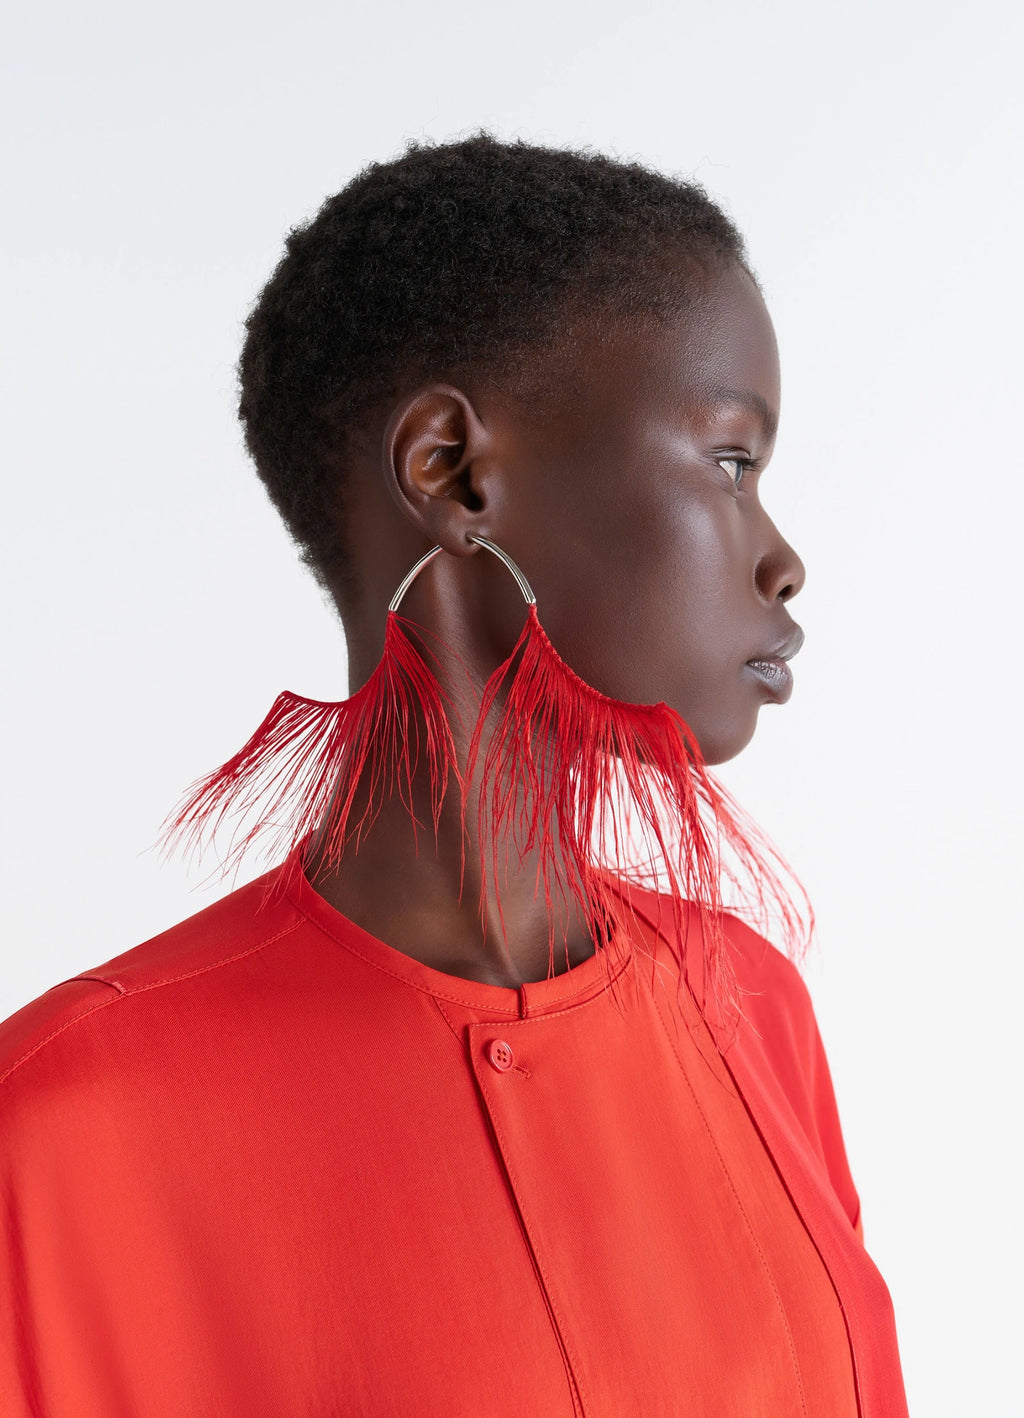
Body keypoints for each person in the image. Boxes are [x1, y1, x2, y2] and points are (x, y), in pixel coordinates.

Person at [0, 132, 909, 1416]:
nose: (782, 560)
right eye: (728, 460)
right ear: (454, 471)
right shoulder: (60, 1127)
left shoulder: (747, 1004)